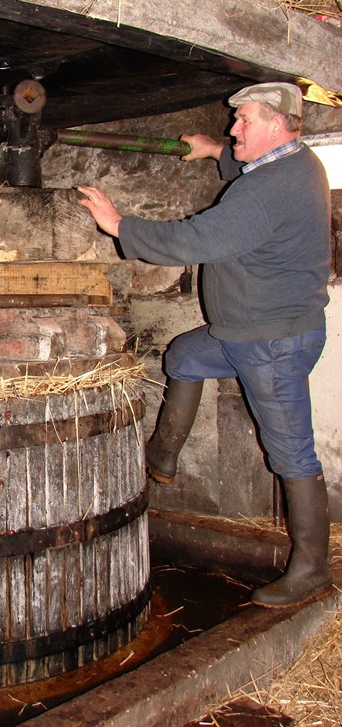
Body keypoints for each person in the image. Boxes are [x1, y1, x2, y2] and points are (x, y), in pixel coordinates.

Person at [78, 81, 333, 609]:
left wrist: (120, 225)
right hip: (246, 333)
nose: (232, 127)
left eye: (243, 121)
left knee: (291, 452)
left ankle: (311, 568)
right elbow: (246, 168)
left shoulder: (269, 190)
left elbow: (196, 239)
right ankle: (164, 453)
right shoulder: (297, 163)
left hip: (270, 341)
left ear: (278, 124)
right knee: (185, 356)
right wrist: (215, 151)